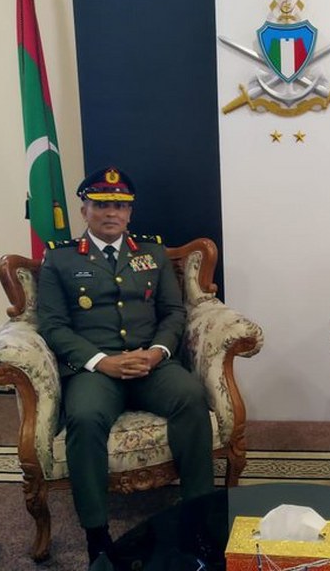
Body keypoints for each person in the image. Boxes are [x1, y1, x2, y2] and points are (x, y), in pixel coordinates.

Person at [37, 166, 214, 566]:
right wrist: (102, 362)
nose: (111, 213)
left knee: (190, 396)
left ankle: (196, 518)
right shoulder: (60, 258)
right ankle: (97, 535)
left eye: (120, 205)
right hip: (95, 369)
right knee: (83, 417)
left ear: (130, 212)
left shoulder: (151, 253)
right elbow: (53, 325)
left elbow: (173, 312)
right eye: (101, 205)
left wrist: (157, 352)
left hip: (151, 362)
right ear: (84, 210)